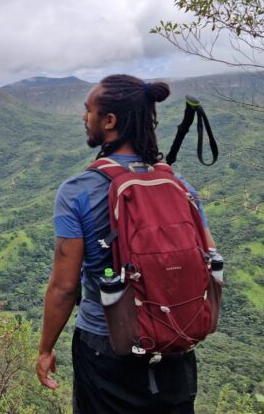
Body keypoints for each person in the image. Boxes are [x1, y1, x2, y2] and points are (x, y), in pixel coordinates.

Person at [35, 74, 216, 414]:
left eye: (88, 110)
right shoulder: (179, 185)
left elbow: (63, 287)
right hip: (174, 345)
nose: (83, 118)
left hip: (105, 347)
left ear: (109, 121)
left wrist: (46, 349)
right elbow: (208, 257)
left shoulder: (77, 190)